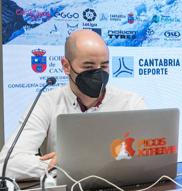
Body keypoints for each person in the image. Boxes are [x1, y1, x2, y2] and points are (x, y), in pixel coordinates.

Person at [0, 29, 145, 180]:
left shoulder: (131, 103)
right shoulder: (46, 103)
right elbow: (7, 163)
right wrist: (61, 167)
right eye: (88, 67)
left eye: (104, 66)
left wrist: (75, 162)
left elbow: (149, 157)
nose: (98, 73)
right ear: (66, 66)